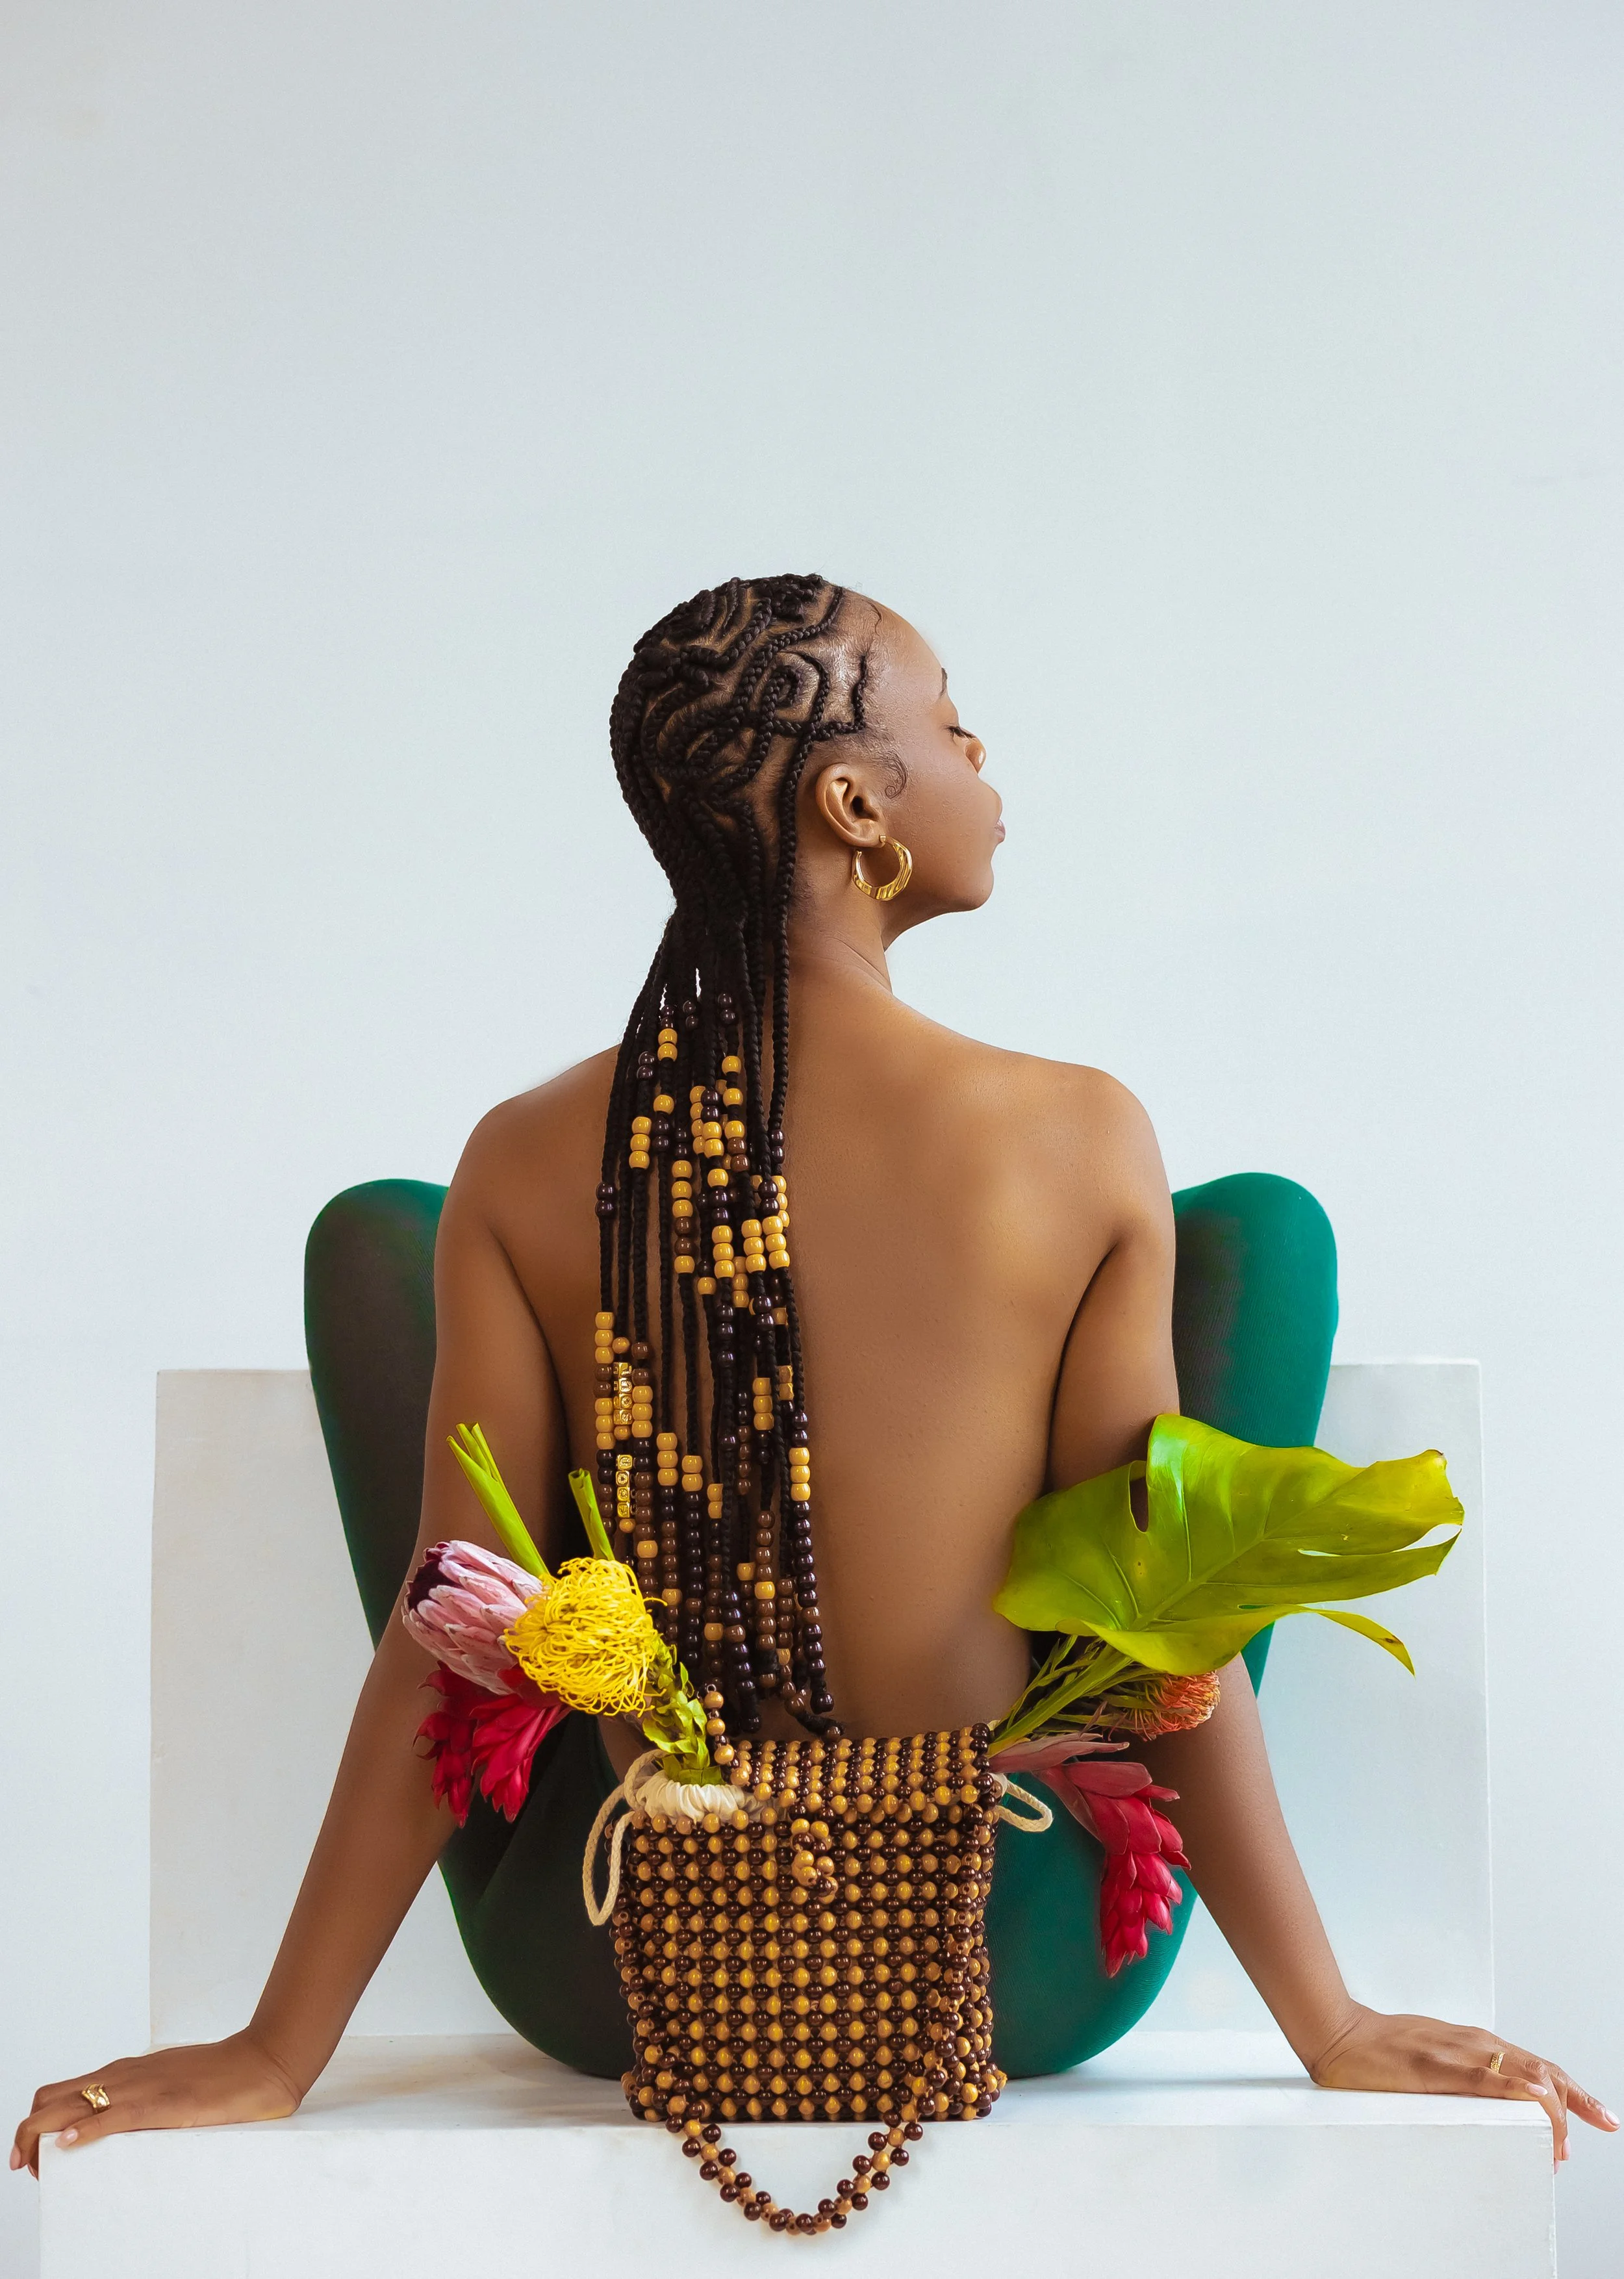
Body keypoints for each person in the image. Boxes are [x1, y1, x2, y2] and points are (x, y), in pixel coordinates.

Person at [13, 576, 1614, 2180]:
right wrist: (1324, 2020)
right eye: (949, 716)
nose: (984, 751)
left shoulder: (524, 1154)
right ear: (859, 805)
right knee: (1258, 1235)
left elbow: (461, 1627)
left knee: (383, 1242)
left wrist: (280, 2045)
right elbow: (1158, 1628)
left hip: (628, 1967)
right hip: (1001, 1967)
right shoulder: (1075, 1133)